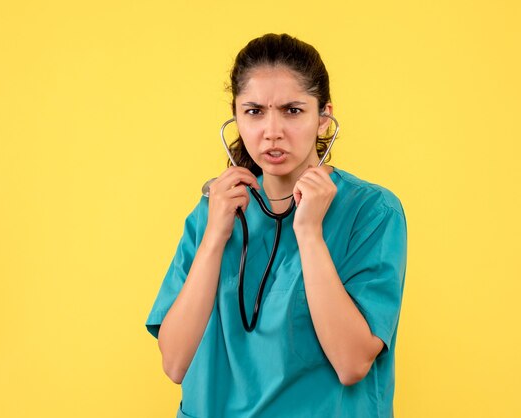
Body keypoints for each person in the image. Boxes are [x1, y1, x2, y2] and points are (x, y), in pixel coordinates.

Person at [146, 33, 407, 418]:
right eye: (254, 111)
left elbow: (352, 364)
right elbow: (175, 363)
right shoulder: (212, 210)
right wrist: (215, 237)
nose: (272, 131)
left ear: (324, 119)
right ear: (236, 117)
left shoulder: (372, 211)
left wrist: (310, 233)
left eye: (292, 111)